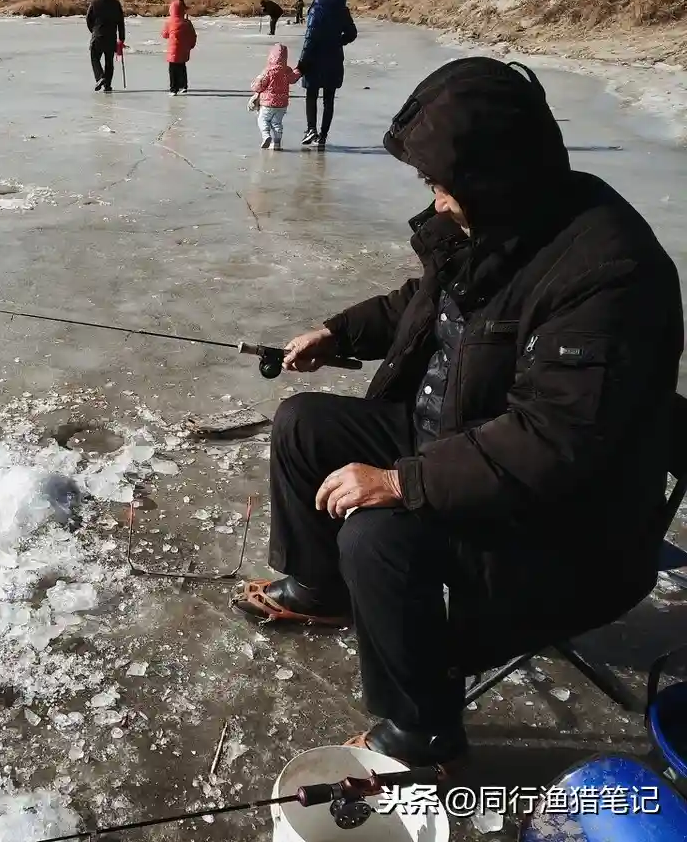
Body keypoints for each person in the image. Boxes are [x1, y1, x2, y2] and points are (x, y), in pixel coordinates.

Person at [231, 57, 684, 768]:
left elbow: (552, 443)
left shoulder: (608, 274)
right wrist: (339, 333)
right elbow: (423, 302)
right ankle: (321, 591)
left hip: (563, 521)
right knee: (305, 425)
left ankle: (422, 731)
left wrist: (401, 483)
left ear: (497, 174)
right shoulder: (505, 221)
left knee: (378, 536)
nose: (438, 202)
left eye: (443, 185)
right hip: (461, 436)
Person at [297, 0, 357, 149]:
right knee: (328, 99)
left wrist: (302, 63)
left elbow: (311, 37)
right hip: (334, 58)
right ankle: (322, 136)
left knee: (311, 94)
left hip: (315, 58)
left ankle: (311, 130)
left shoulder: (317, 8)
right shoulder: (342, 9)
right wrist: (336, 42)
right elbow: (352, 34)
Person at [250, 43, 301, 150]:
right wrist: (299, 70)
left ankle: (266, 136)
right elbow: (293, 79)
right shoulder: (287, 70)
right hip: (282, 104)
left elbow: (258, 85)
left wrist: (253, 86)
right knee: (277, 123)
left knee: (263, 119)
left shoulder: (268, 71)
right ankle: (277, 143)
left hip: (267, 104)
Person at [86, 0, 125, 93]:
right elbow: (121, 22)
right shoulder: (116, 4)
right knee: (109, 62)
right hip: (111, 38)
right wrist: (121, 38)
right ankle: (107, 85)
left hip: (98, 36)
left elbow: (88, 19)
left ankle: (100, 77)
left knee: (94, 57)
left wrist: (93, 30)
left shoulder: (94, 3)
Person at [161, 0, 197, 96]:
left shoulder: (169, 22)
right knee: (182, 67)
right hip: (184, 51)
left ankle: (173, 89)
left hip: (173, 51)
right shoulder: (187, 23)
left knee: (173, 70)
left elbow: (164, 34)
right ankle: (184, 86)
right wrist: (191, 45)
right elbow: (193, 35)